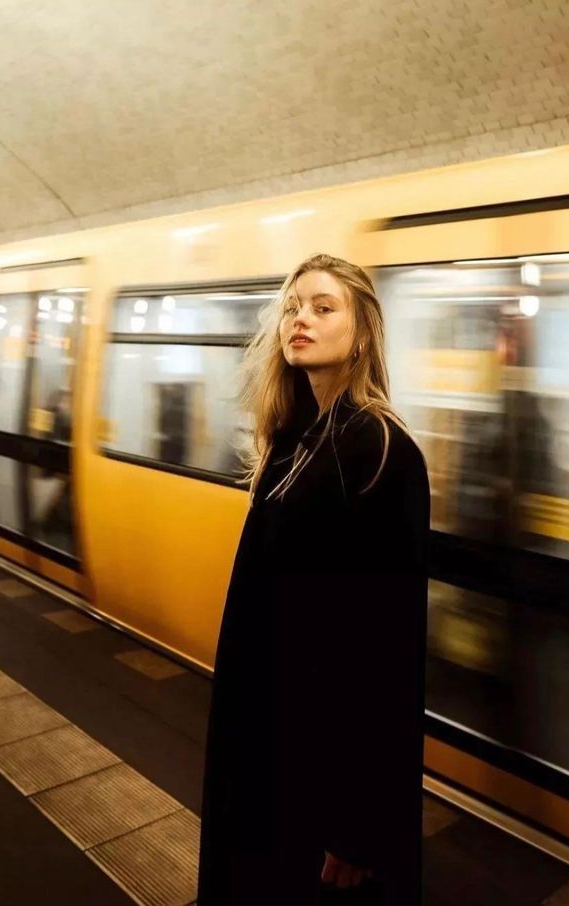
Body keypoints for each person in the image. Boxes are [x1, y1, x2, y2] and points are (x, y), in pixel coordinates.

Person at [197, 254, 430, 905]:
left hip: (315, 770)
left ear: (361, 334)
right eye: (293, 306)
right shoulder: (296, 437)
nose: (301, 318)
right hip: (267, 744)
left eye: (324, 307)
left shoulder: (381, 453)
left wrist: (358, 825)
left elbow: (386, 650)